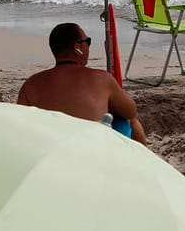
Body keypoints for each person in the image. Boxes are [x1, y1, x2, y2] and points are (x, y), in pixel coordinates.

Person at [17, 23, 148, 142]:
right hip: (92, 152)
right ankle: (142, 164)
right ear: (77, 47)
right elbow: (131, 111)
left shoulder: (31, 84)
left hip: (50, 150)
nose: (88, 46)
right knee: (131, 122)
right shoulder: (101, 78)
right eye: (88, 41)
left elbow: (20, 126)